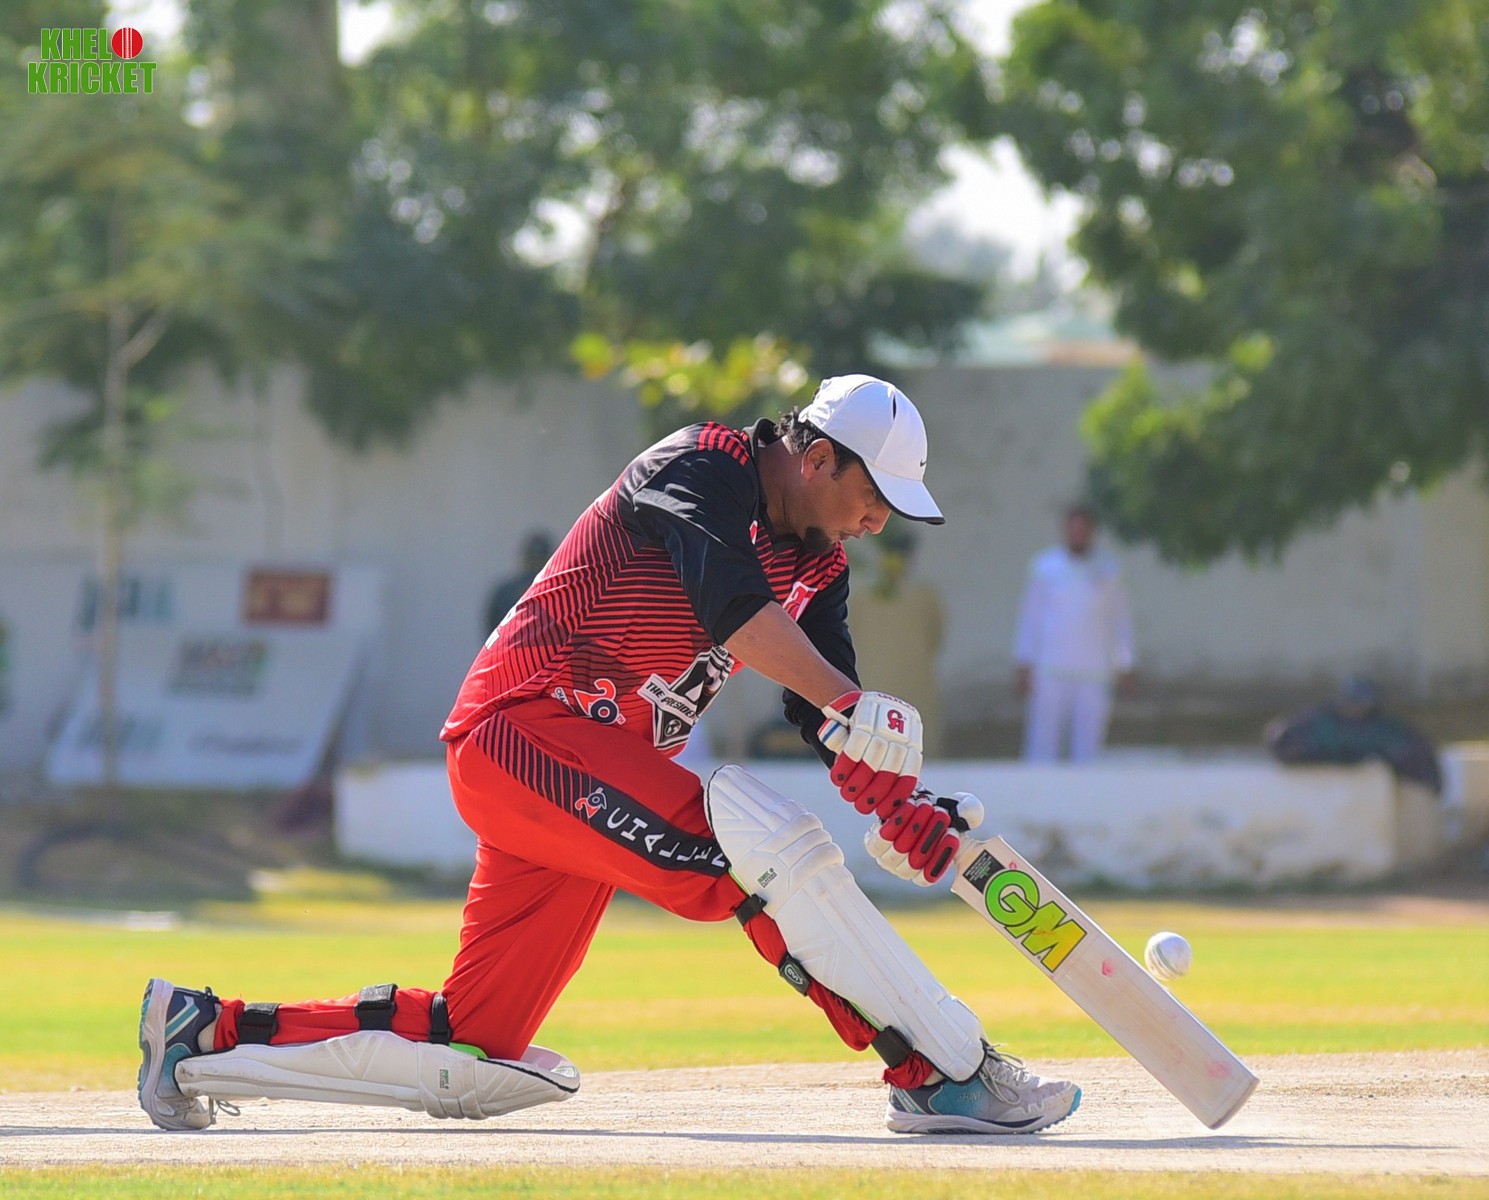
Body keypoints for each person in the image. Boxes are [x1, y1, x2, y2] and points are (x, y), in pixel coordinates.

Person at [137, 374, 1081, 1138]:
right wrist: (852, 710)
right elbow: (738, 614)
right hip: (520, 733)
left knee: (476, 1041)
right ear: (818, 456)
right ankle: (938, 1073)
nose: (876, 523)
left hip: (584, 781)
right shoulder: (698, 467)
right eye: (872, 496)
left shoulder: (818, 563)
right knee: (765, 853)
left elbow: (821, 704)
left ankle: (201, 1034)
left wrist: (898, 799)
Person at [1012, 503, 1135, 762]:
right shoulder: (1045, 568)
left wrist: (1125, 664)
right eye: (1073, 528)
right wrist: (1024, 663)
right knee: (1042, 748)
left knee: (1088, 752)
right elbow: (1031, 619)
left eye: (1083, 529)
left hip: (1094, 673)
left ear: (1092, 532)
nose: (1078, 534)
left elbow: (1120, 621)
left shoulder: (1109, 571)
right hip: (1050, 671)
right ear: (1065, 530)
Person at [847, 519, 948, 757]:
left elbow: (934, 634)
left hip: (903, 686)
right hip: (880, 685)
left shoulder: (922, 595)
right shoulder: (863, 596)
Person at [1264, 676, 1443, 793]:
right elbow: (1279, 740)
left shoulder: (1386, 729)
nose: (1355, 708)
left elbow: (1421, 762)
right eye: (1352, 701)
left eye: (1362, 703)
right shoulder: (1317, 720)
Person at [483, 530, 555, 636]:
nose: (535, 564)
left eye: (539, 560)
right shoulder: (506, 592)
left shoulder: (555, 591)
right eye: (533, 559)